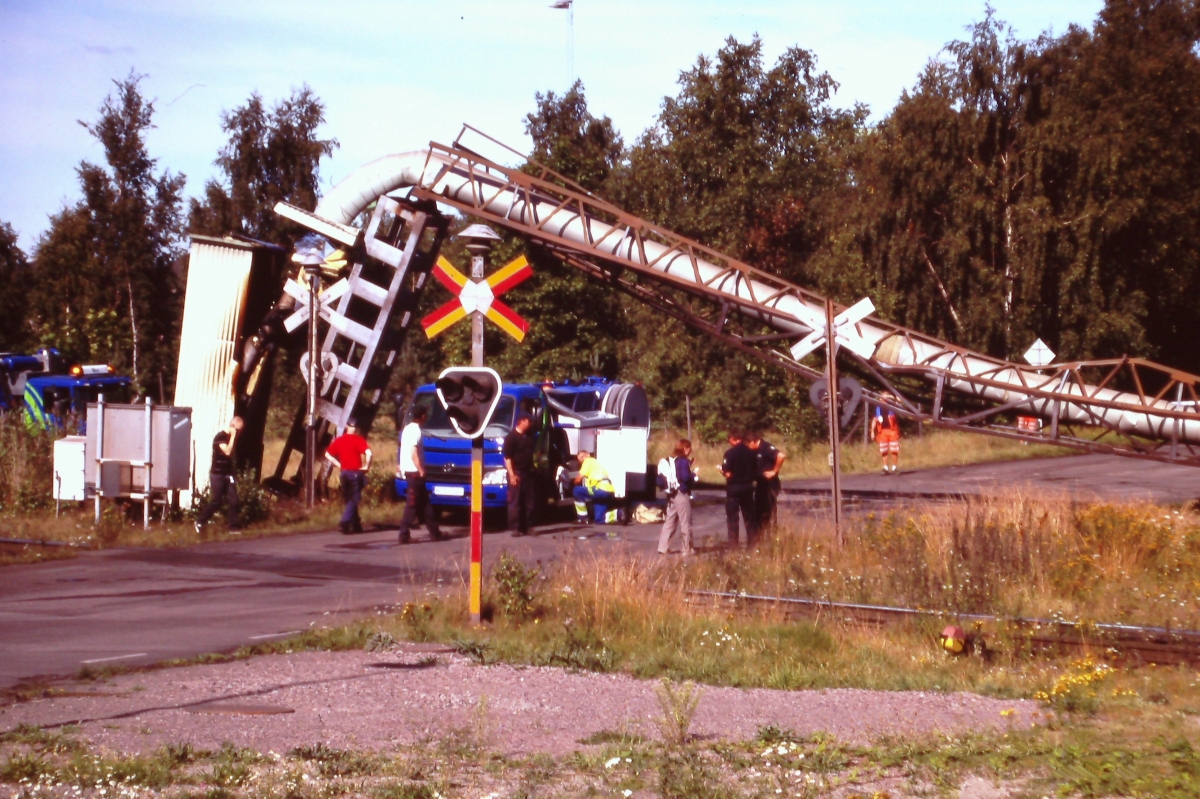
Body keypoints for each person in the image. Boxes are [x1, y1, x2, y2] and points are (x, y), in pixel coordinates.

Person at [397, 405, 442, 543]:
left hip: (410, 471)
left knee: (425, 504)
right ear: (423, 416)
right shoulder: (415, 430)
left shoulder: (407, 428)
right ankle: (403, 535)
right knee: (412, 504)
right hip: (414, 472)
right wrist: (421, 469)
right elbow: (413, 452)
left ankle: (435, 533)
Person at [195, 416, 244, 533]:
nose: (239, 433)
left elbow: (231, 455)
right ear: (232, 427)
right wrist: (233, 436)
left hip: (228, 473)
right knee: (217, 500)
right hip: (217, 474)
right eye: (238, 430)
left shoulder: (233, 439)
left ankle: (233, 526)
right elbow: (227, 451)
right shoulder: (220, 437)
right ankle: (200, 521)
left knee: (234, 500)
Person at [324, 419, 372, 534]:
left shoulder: (339, 440)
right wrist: (366, 466)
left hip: (344, 473)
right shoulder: (358, 440)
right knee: (354, 499)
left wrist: (338, 464)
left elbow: (327, 454)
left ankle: (356, 525)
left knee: (349, 499)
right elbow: (369, 453)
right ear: (356, 428)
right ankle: (344, 522)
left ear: (347, 427)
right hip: (355, 473)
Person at [656, 438, 697, 556]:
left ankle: (663, 547)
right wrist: (694, 475)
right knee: (686, 522)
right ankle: (687, 548)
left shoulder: (673, 460)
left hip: (671, 493)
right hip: (681, 493)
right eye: (689, 448)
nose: (690, 451)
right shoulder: (683, 461)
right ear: (685, 448)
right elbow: (685, 477)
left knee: (670, 521)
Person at [721, 429, 759, 547]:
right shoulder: (752, 452)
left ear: (733, 439)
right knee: (749, 516)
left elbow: (728, 473)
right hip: (748, 486)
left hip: (734, 487)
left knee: (733, 517)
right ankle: (752, 543)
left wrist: (722, 471)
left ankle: (733, 544)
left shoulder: (730, 453)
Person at [503, 412, 537, 536]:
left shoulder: (530, 436)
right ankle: (514, 527)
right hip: (516, 472)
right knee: (515, 501)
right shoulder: (511, 437)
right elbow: (507, 458)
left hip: (528, 472)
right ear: (522, 421)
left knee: (529, 502)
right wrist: (512, 474)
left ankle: (527, 526)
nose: (530, 423)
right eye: (528, 421)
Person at [747, 431, 786, 528]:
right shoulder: (756, 450)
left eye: (749, 445)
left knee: (770, 507)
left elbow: (781, 456)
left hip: (770, 484)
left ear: (753, 441)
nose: (749, 447)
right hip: (761, 484)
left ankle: (772, 529)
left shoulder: (766, 447)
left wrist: (774, 471)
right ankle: (762, 530)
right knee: (760, 508)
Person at [573, 449, 619, 524]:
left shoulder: (588, 461)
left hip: (600, 490)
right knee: (599, 520)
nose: (581, 460)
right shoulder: (596, 464)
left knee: (576, 490)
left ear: (588, 455)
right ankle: (619, 514)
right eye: (579, 459)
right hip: (608, 491)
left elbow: (578, 479)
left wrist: (573, 483)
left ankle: (583, 518)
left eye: (582, 457)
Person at [872, 393, 902, 475]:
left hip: (892, 431)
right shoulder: (877, 407)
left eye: (886, 397)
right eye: (883, 397)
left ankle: (894, 467)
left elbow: (900, 402)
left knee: (894, 450)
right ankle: (885, 468)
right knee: (883, 450)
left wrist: (893, 397)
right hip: (882, 432)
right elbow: (874, 419)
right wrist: (872, 431)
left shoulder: (892, 406)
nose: (884, 399)